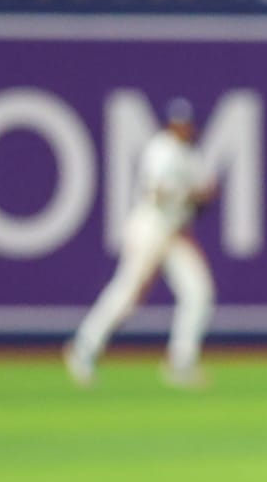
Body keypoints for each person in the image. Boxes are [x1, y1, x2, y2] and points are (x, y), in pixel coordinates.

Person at [64, 99, 218, 389]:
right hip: (150, 227)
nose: (182, 129)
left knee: (198, 292)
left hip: (175, 232)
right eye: (177, 124)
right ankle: (84, 347)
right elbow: (157, 193)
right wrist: (192, 194)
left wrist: (197, 196)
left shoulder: (191, 155)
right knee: (128, 292)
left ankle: (181, 361)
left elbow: (208, 192)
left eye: (185, 124)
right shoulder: (161, 149)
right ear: (169, 125)